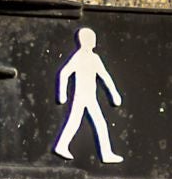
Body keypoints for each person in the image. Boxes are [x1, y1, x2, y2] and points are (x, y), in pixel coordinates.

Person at [52, 26, 126, 164]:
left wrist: (114, 94)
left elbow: (104, 76)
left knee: (86, 122)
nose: (94, 42)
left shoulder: (94, 58)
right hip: (82, 96)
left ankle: (62, 146)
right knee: (91, 122)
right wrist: (62, 94)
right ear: (85, 40)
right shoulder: (79, 56)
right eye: (92, 39)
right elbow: (64, 73)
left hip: (89, 96)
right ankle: (63, 146)